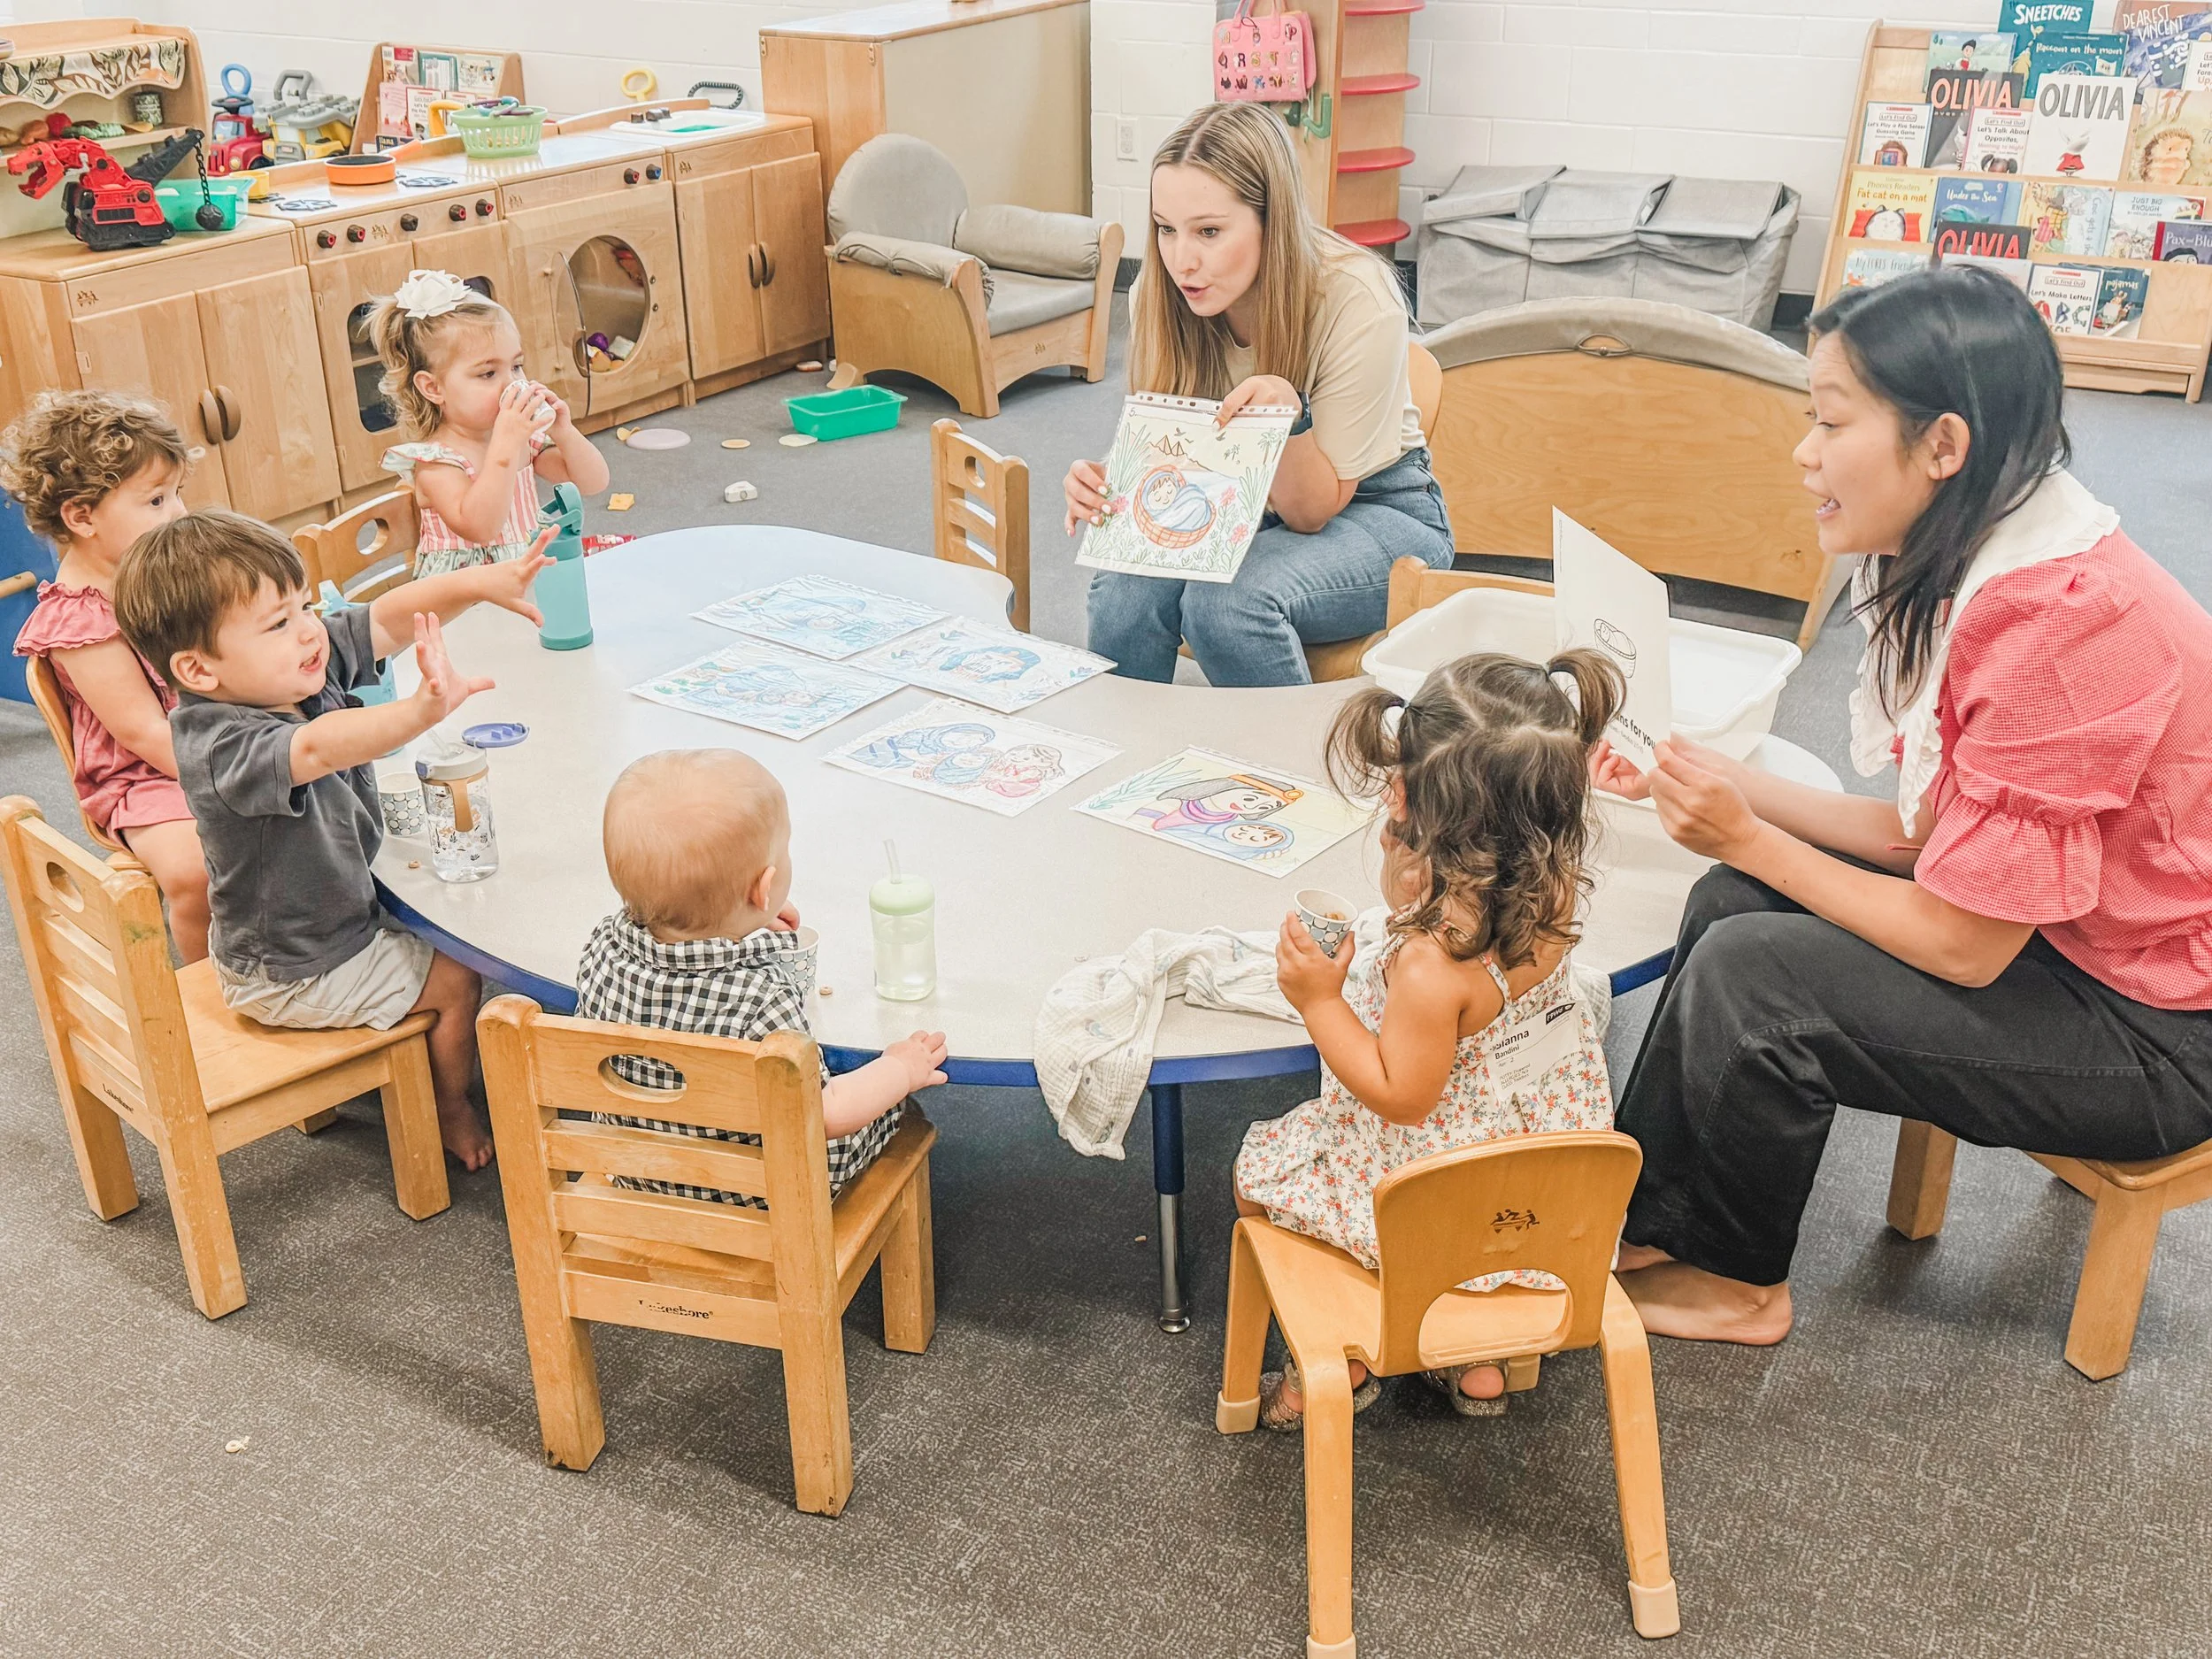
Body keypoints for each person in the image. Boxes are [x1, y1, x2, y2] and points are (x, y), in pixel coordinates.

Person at [1593, 267, 2212, 1346]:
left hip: (2162, 1028)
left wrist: (1753, 833)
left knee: (1759, 970)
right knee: (1735, 894)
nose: (1804, 451)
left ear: (1942, 446)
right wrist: (1732, 788)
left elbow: (1965, 943)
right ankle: (1652, 1224)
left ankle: (1740, 1286)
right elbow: (1928, 838)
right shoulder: (1992, 556)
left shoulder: (2062, 626)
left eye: (1830, 421)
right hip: (2069, 939)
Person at [1234, 650, 1624, 1428]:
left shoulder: (1428, 966)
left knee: (1261, 1175)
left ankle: (1343, 1352)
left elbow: (1400, 1095)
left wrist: (1318, 999)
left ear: (1414, 802)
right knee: (1462, 1208)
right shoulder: (1550, 883)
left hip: (1431, 1205)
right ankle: (1478, 1359)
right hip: (1533, 1198)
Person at [113, 510, 554, 1171]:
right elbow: (316, 747)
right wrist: (420, 711)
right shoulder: (221, 743)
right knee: (461, 971)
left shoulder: (289, 671)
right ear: (199, 670)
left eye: (303, 607)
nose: (308, 632)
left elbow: (388, 617)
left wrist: (479, 581)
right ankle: (450, 1104)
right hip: (291, 971)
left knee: (454, 907)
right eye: (278, 623)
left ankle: (427, 1059)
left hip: (319, 929)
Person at [1065, 102, 1453, 686]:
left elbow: (1311, 510)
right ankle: (1130, 762)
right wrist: (1114, 485)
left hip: (1379, 510)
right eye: (1166, 230)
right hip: (1235, 495)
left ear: (1273, 221)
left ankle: (1290, 773)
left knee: (1226, 604)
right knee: (1122, 590)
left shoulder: (1358, 297)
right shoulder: (1156, 292)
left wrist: (1284, 422)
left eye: (1210, 232)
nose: (1181, 260)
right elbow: (1179, 456)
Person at [579, 749, 948, 1207]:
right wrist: (900, 1068)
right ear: (765, 887)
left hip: (637, 1171)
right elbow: (826, 1112)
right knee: (897, 1107)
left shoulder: (602, 947)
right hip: (757, 1196)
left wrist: (744, 918)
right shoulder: (758, 1002)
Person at [4, 391, 208, 960]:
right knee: (197, 871)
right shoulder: (81, 620)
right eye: (156, 500)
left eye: (177, 495)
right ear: (82, 516)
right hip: (143, 779)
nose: (178, 514)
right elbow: (143, 735)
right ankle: (208, 991)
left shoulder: (149, 568)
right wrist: (231, 772)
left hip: (202, 735)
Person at [370, 269, 610, 574]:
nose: (510, 384)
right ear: (433, 388)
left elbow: (593, 482)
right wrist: (506, 446)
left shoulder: (524, 441)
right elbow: (481, 527)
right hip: (465, 599)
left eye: (517, 366)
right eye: (487, 374)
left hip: (524, 575)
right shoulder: (438, 463)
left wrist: (565, 432)